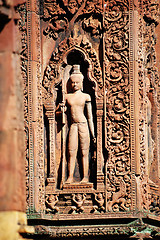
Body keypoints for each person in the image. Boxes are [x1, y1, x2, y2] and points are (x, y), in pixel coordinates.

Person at [64, 65, 96, 183]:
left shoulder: (85, 97)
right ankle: (70, 176)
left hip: (83, 125)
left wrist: (93, 134)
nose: (75, 85)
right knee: (71, 151)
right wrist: (61, 109)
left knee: (84, 151)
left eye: (77, 82)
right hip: (73, 126)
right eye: (72, 83)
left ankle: (85, 177)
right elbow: (58, 113)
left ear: (82, 82)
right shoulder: (67, 97)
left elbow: (90, 117)